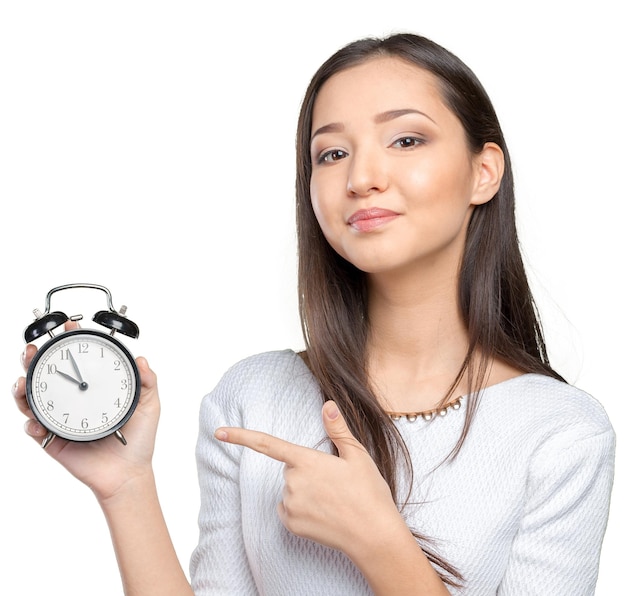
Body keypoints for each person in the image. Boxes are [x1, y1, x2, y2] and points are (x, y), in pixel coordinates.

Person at [13, 33, 615, 595]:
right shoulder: (253, 397)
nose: (362, 177)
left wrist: (379, 542)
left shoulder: (561, 434)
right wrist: (127, 488)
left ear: (484, 172)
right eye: (331, 153)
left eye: (406, 140)